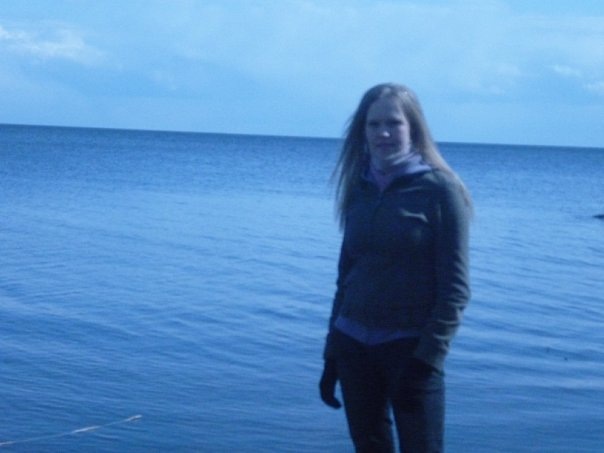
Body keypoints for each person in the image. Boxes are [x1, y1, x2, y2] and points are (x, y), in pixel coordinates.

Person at [319, 83, 472, 452]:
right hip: (353, 347)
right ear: (363, 131)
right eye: (374, 124)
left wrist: (427, 360)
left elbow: (455, 290)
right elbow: (346, 277)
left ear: (413, 128)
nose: (383, 133)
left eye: (394, 123)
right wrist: (331, 352)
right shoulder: (358, 188)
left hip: (410, 350)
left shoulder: (440, 190)